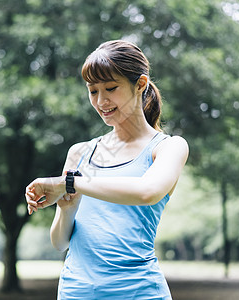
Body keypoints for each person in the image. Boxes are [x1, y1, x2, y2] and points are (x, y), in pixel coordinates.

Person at [25, 40, 189, 299]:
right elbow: (60, 243)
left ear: (140, 84)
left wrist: (70, 184)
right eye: (93, 91)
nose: (101, 101)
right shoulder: (80, 153)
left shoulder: (168, 147)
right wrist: (67, 209)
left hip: (138, 292)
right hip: (75, 292)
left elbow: (147, 192)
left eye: (111, 88)